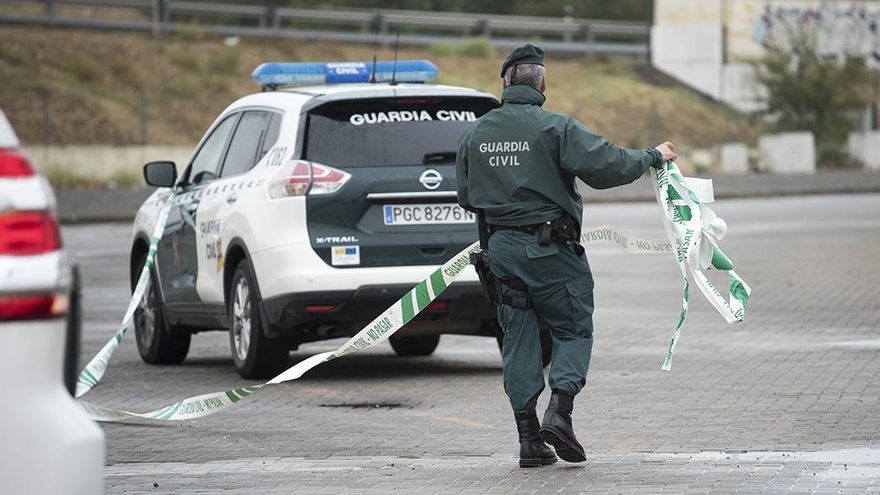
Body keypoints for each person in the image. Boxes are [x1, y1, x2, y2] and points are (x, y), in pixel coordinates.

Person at [456, 43, 676, 468]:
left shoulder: (474, 134)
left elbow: (466, 197)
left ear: (504, 82)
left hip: (501, 252)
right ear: (544, 84)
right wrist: (653, 156)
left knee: (518, 338)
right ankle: (560, 413)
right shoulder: (556, 127)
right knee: (572, 329)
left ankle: (528, 441)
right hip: (550, 250)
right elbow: (608, 165)